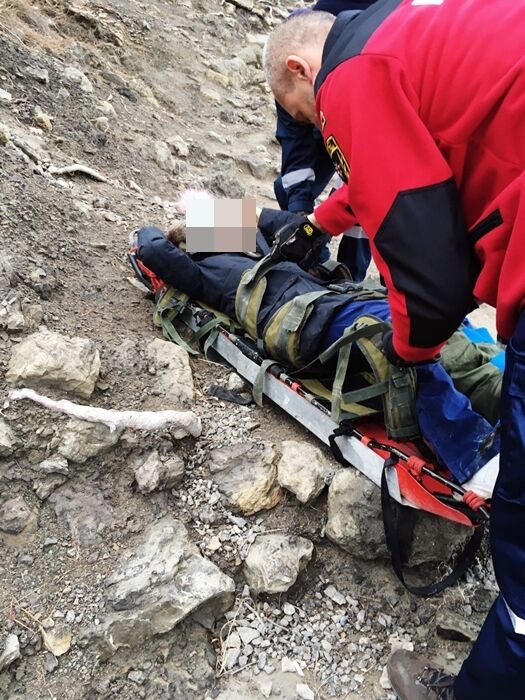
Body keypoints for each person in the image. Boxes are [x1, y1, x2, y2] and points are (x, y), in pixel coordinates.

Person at [261, 2, 525, 698]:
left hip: (377, 315)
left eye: (301, 113)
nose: (310, 127)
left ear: (301, 70)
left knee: (453, 371)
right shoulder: (399, 32)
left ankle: (487, 461)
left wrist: (411, 346)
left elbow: (427, 273)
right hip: (341, 295)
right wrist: (301, 227)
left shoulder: (350, 77)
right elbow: (377, 176)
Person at [133, 220, 501, 495]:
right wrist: (163, 229)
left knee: (441, 328)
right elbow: (152, 250)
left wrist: (230, 218)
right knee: (411, 334)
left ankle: (504, 397)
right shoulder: (200, 274)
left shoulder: (257, 249)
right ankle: (479, 454)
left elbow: (289, 221)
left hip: (332, 303)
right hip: (299, 320)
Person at [273, 1, 375, 281]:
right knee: (288, 192)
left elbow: (368, 187)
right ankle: (315, 259)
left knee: (366, 207)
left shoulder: (364, 67)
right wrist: (302, 218)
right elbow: (294, 151)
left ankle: (350, 274)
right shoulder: (287, 68)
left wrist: (318, 225)